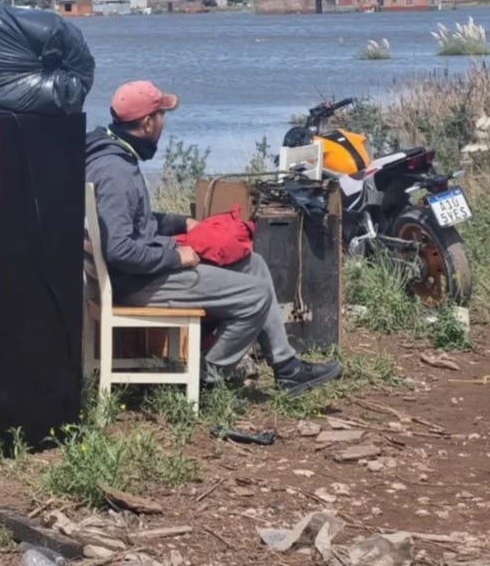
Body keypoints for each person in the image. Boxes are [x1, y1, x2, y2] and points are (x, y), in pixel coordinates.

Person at [85, 80, 342, 394]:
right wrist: (175, 257)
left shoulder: (114, 156)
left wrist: (183, 223)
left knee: (254, 265)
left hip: (140, 271)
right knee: (255, 295)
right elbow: (120, 249)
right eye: (162, 116)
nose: (163, 124)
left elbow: (133, 221)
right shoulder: (116, 173)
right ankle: (208, 375)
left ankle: (286, 366)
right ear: (148, 122)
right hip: (137, 281)